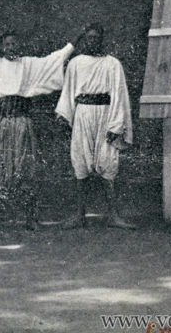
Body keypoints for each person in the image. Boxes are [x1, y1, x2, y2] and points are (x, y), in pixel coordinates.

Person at [0, 28, 86, 229]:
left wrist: (75, 40)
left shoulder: (29, 65)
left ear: (20, 46)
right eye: (7, 44)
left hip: (21, 124)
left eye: (14, 44)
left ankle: (30, 218)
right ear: (2, 47)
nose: (11, 47)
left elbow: (56, 58)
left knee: (25, 169)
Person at [55, 23, 134, 229]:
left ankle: (113, 215)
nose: (93, 41)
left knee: (108, 163)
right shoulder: (75, 63)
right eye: (89, 38)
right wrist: (64, 115)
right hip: (83, 115)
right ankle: (80, 215)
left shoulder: (113, 64)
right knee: (81, 163)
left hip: (106, 115)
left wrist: (116, 125)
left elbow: (120, 95)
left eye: (96, 38)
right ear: (84, 40)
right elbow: (68, 91)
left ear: (101, 40)